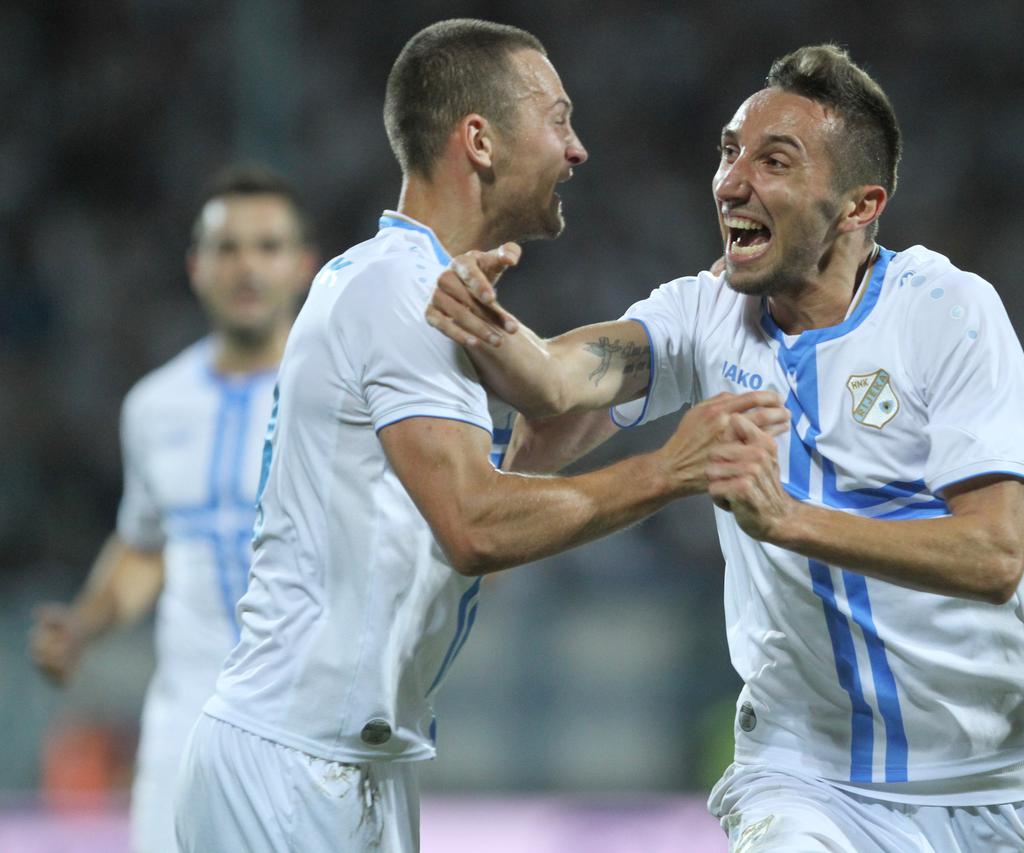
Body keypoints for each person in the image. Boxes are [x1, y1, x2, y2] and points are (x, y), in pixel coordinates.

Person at [428, 44, 1024, 852]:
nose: (732, 181)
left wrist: (788, 519)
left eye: (774, 160)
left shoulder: (947, 312)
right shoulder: (706, 314)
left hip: (996, 782)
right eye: (729, 152)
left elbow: (993, 554)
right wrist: (489, 321)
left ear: (857, 205)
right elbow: (564, 379)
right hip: (805, 771)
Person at [172, 19, 787, 853]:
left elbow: (500, 479)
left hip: (347, 765)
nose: (577, 150)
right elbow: (475, 525)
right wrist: (670, 470)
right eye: (558, 118)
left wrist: (689, 339)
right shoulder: (401, 291)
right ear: (480, 140)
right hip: (293, 765)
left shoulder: (412, 285)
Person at [27, 166, 317, 853]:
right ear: (196, 266)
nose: (247, 265)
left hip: (309, 732)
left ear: (305, 266)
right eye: (227, 247)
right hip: (183, 729)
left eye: (268, 246)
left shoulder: (340, 400)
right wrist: (84, 623)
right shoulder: (155, 406)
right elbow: (147, 545)